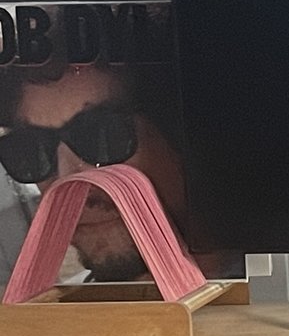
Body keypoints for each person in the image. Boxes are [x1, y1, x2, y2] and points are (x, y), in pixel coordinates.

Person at [0, 19, 237, 281]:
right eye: (30, 149)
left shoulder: (265, 293)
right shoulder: (54, 304)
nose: (70, 184)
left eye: (103, 137)